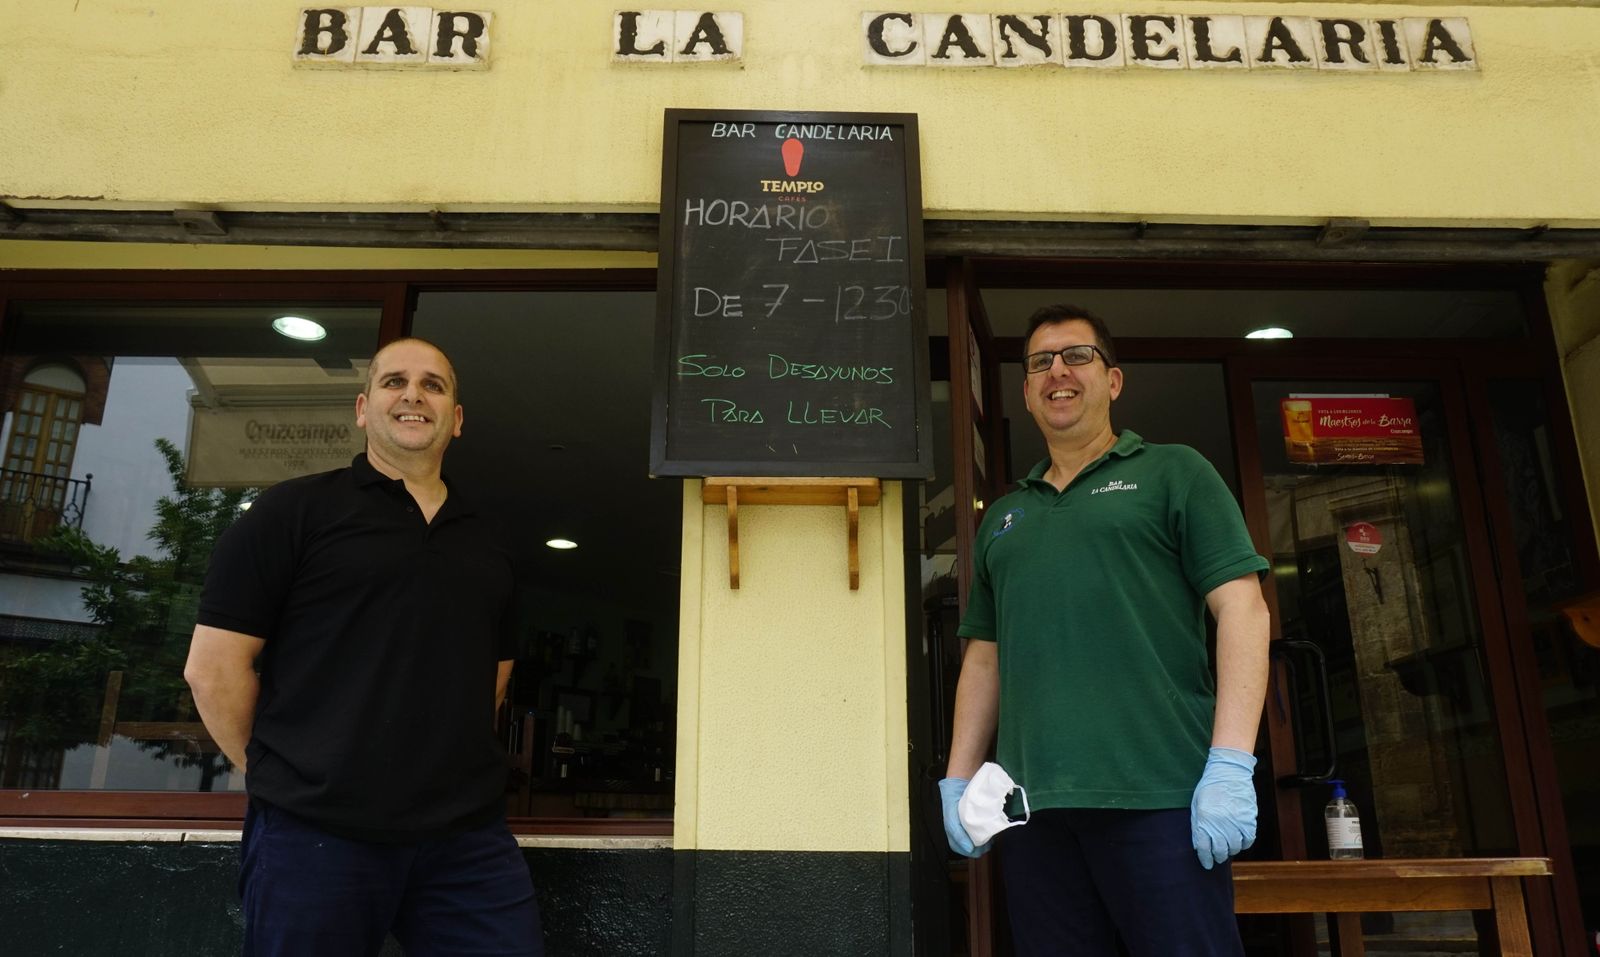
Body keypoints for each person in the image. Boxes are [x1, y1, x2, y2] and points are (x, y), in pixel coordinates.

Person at [184, 337, 542, 957]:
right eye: (394, 381)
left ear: (455, 419)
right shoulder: (292, 512)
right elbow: (213, 670)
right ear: (362, 407)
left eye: (434, 385)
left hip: (466, 841)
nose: (413, 395)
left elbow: (497, 672)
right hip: (315, 836)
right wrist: (288, 779)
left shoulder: (490, 538)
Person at [940, 305, 1271, 956]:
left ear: (1113, 380)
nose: (1057, 371)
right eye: (1040, 363)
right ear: (1027, 392)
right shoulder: (1004, 518)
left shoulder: (1175, 474)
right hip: (1033, 812)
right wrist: (957, 779)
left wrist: (1232, 763)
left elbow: (1244, 609)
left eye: (1077, 356)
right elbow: (985, 657)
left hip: (1163, 800)